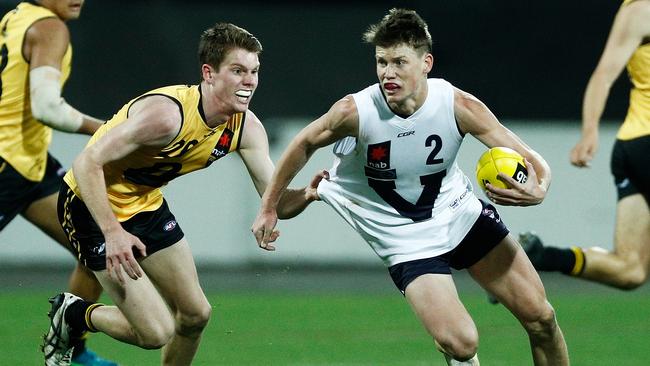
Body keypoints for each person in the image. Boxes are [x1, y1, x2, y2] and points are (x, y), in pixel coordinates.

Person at [252, 8, 570, 366]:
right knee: (463, 343)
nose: (388, 73)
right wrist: (268, 207)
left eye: (400, 62)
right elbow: (304, 143)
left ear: (426, 63)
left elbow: (528, 156)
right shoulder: (355, 112)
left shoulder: (458, 105)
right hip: (403, 238)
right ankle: (454, 351)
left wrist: (539, 186)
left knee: (542, 318)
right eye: (381, 62)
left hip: (459, 213)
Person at [41, 22, 323, 366]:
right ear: (209, 73)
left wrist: (307, 194)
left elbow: (274, 200)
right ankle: (71, 314)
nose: (249, 81)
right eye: (237, 70)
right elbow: (87, 163)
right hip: (89, 204)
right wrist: (113, 232)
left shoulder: (245, 127)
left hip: (145, 204)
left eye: (254, 71)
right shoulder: (166, 116)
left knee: (195, 315)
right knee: (155, 333)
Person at [0, 1, 116, 365]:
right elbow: (48, 108)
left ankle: (67, 351)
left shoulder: (14, 18)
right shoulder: (50, 27)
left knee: (97, 246)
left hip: (30, 167)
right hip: (8, 165)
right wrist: (110, 130)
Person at [520, 0, 650, 290]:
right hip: (645, 143)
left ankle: (539, 258)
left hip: (633, 147)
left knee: (631, 270)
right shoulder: (642, 10)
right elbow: (604, 75)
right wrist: (589, 130)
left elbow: (603, 75)